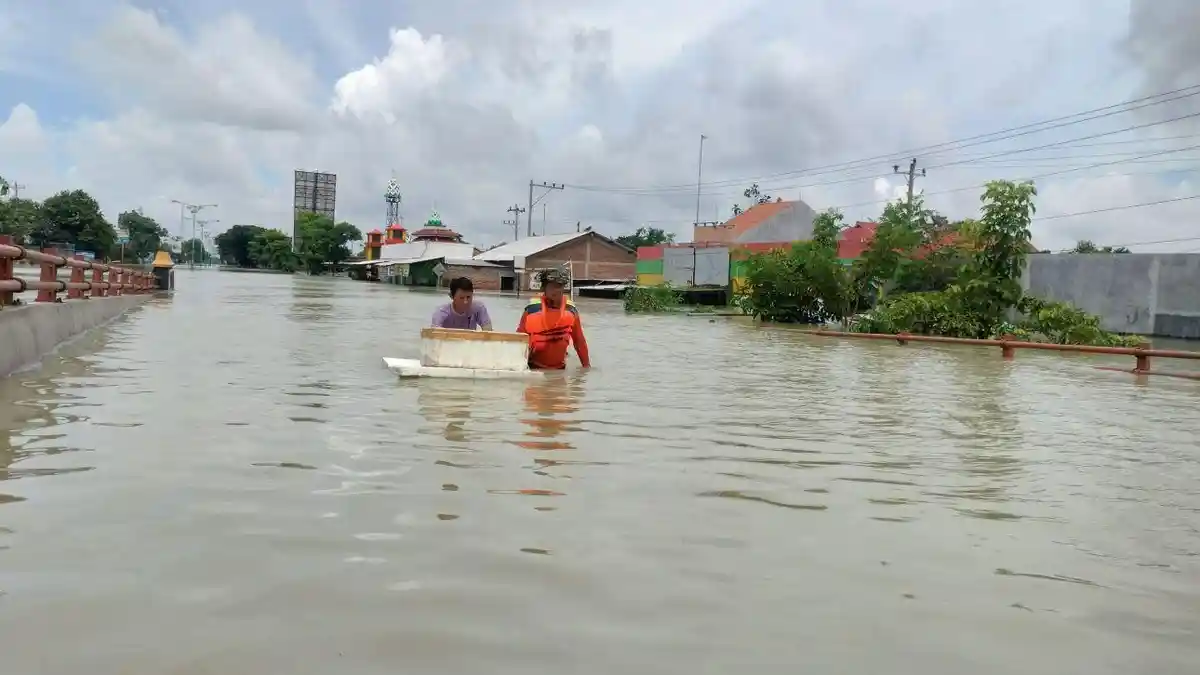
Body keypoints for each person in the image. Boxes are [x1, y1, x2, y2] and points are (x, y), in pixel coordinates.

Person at [516, 268, 590, 370]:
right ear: (543, 288)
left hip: (559, 370)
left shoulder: (571, 311)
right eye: (552, 286)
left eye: (559, 286)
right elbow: (519, 340)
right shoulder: (531, 310)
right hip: (533, 368)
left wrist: (586, 367)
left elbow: (579, 342)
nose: (557, 290)